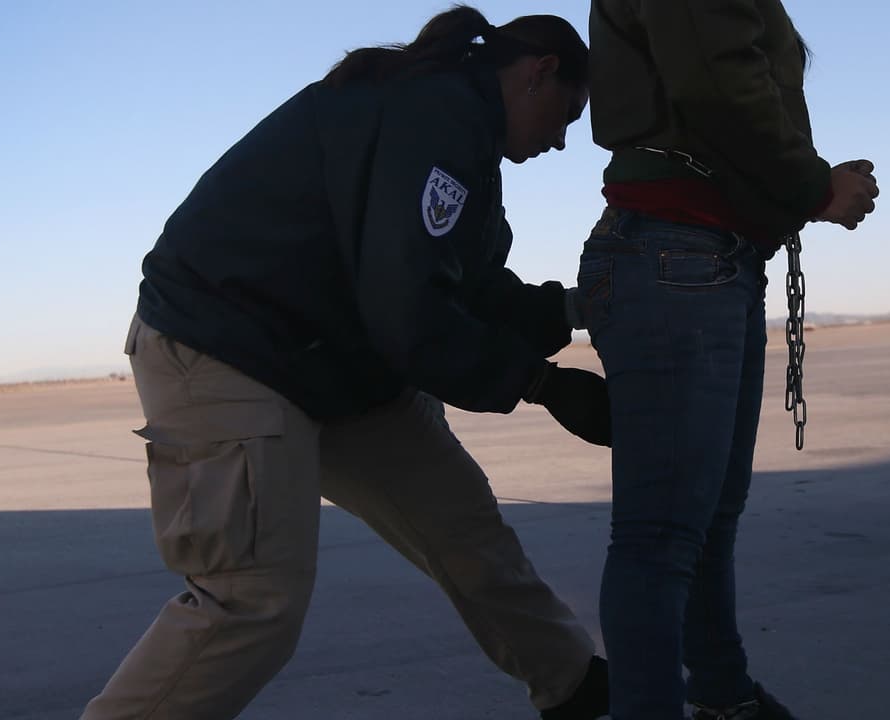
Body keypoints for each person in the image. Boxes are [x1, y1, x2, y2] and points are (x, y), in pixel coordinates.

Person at [81, 6, 613, 720]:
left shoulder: (462, 144)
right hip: (230, 347)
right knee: (251, 600)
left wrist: (578, 308)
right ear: (539, 71)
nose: (561, 140)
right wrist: (540, 383)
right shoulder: (435, 116)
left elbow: (468, 287)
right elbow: (408, 312)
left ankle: (577, 690)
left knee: (463, 531)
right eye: (567, 115)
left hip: (333, 364)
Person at [579, 2, 881, 719]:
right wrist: (813, 186)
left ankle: (722, 696)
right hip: (677, 253)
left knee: (707, 518)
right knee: (662, 534)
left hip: (709, 255)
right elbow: (717, 78)